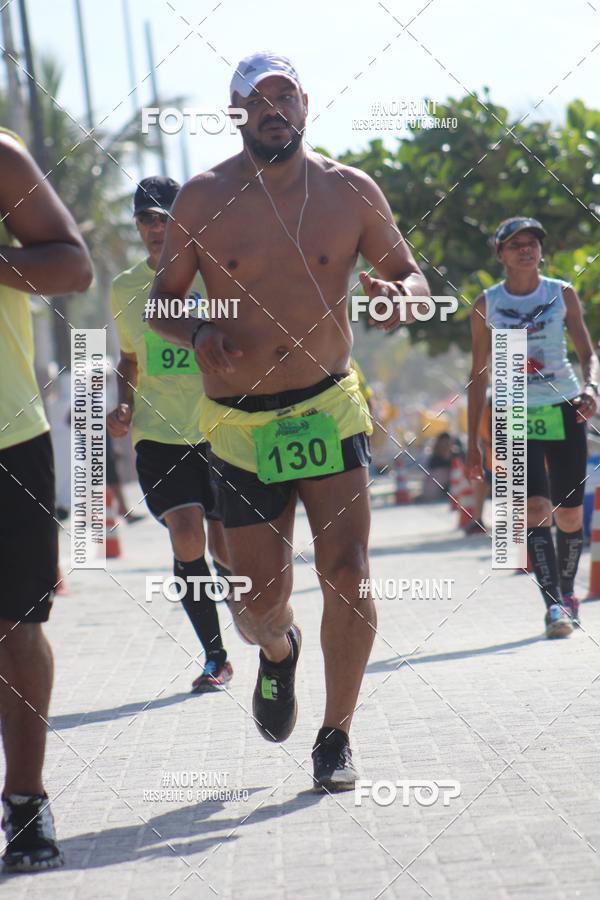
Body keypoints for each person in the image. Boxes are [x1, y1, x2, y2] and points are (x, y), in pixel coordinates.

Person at [147, 51, 429, 791]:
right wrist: (197, 332)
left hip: (329, 405)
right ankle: (277, 653)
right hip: (240, 423)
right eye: (256, 99)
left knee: (348, 570)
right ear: (236, 112)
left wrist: (403, 294)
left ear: (305, 102)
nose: (273, 108)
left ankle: (336, 736)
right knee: (257, 602)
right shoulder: (203, 199)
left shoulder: (350, 191)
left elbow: (407, 271)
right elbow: (161, 302)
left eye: (284, 95)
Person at [0, 127, 93, 870]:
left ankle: (25, 801)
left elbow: (72, 264)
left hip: (7, 434)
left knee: (14, 626)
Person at [107, 177, 233, 692]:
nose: (155, 227)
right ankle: (214, 655)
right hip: (159, 434)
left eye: (165, 217)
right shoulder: (123, 288)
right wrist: (121, 402)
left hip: (223, 427)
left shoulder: (215, 273)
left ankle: (256, 621)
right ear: (136, 224)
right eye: (146, 218)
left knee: (229, 552)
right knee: (186, 533)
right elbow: (129, 360)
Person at [466, 216, 599, 638]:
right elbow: (478, 375)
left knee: (570, 515)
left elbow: (587, 352)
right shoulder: (487, 304)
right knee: (534, 511)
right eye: (516, 244)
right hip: (511, 414)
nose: (527, 249)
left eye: (533, 243)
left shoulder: (561, 293)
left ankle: (567, 591)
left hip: (563, 407)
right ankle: (556, 604)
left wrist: (593, 387)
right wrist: (473, 441)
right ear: (501, 254)